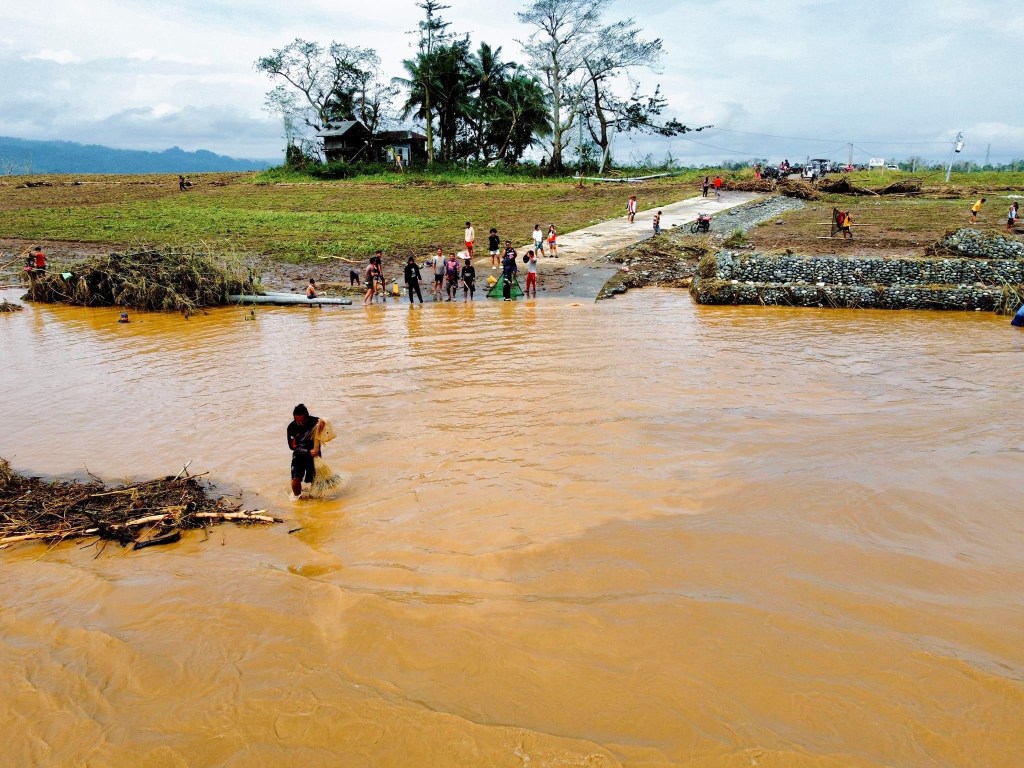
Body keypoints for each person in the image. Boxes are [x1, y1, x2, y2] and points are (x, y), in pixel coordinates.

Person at [287, 404, 321, 498]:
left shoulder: (316, 421)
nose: (299, 423)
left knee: (315, 481)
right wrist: (308, 451)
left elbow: (327, 431)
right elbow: (292, 447)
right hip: (299, 455)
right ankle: (298, 499)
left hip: (315, 456)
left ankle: (314, 500)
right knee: (295, 482)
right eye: (297, 421)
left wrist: (323, 425)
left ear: (307, 417)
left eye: (301, 421)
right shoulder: (291, 427)